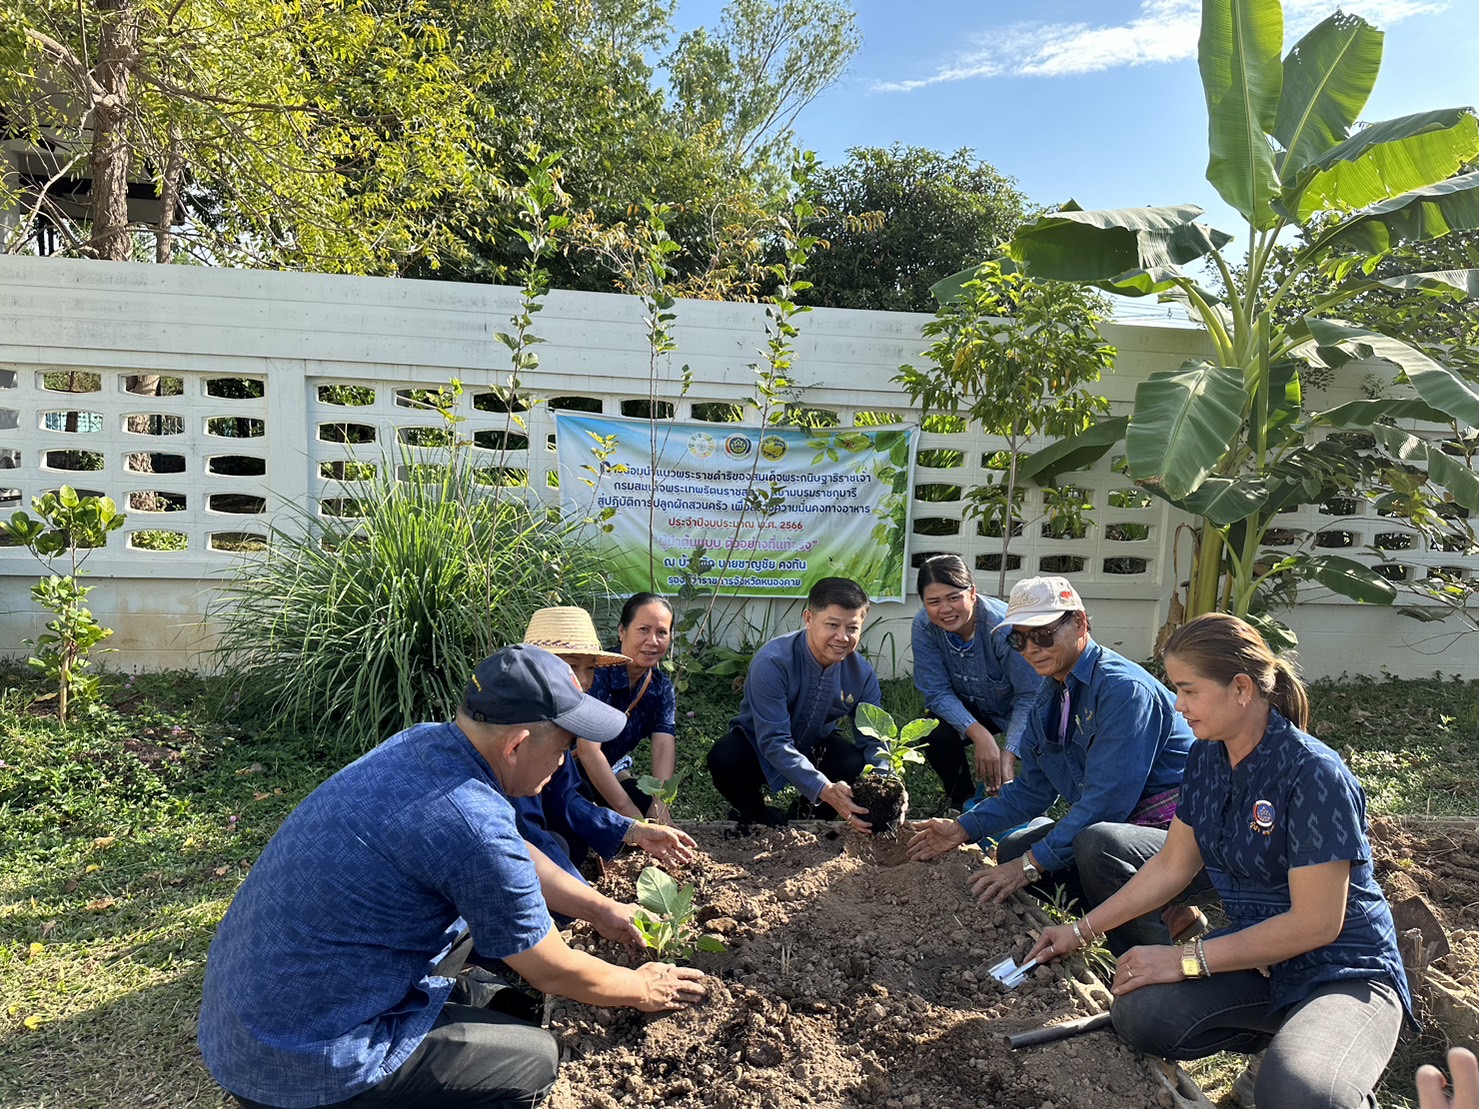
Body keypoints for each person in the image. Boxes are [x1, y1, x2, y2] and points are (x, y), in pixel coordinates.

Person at [199, 644, 706, 1109]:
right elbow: (551, 970)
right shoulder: (471, 822)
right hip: (298, 1060)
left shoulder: (426, 744)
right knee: (534, 1060)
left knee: (509, 1005)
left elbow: (514, 852)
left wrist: (601, 908)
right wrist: (643, 987)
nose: (564, 760)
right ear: (516, 745)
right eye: (564, 746)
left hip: (257, 1013)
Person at [1025, 613, 1416, 1109]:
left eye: (1189, 691)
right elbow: (1172, 865)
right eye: (1176, 689)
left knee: (1298, 1093)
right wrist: (1080, 931)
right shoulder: (1208, 759)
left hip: (1342, 971)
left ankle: (1317, 1060)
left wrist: (1184, 959)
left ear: (1241, 689)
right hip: (1263, 962)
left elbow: (1317, 923)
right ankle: (1287, 1043)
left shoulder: (1313, 773)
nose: (1178, 705)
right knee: (1142, 1011)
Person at [907, 575, 1199, 953]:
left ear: (1079, 623)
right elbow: (1032, 790)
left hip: (1184, 836)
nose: (1031, 649)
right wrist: (963, 828)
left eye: (1043, 635)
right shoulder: (1050, 694)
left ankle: (1146, 959)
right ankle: (1159, 913)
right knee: (1014, 848)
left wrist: (1029, 867)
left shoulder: (1122, 690)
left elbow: (1104, 806)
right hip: (1123, 826)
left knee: (1097, 845)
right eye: (1019, 640)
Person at [515, 607, 694, 882]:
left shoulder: (554, 719)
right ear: (622, 631)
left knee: (572, 846)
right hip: (508, 835)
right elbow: (523, 827)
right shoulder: (519, 728)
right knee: (554, 850)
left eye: (590, 668)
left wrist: (633, 830)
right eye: (571, 666)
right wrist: (590, 897)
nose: (583, 680)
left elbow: (565, 797)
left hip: (599, 775)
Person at [705, 577, 885, 831]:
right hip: (759, 745)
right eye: (832, 625)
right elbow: (774, 740)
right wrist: (824, 788)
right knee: (725, 757)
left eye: (852, 628)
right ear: (809, 619)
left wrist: (886, 782)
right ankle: (755, 812)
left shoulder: (861, 673)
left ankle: (807, 815)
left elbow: (875, 739)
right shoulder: (773, 661)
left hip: (815, 745)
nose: (842, 637)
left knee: (852, 763)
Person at [911, 554, 1044, 807]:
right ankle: (962, 801)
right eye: (934, 602)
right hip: (968, 705)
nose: (945, 609)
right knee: (934, 731)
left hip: (1012, 707)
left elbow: (1030, 695)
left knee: (1047, 736)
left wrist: (1009, 754)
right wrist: (980, 735)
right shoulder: (924, 627)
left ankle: (1030, 800)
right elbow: (936, 692)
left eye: (954, 597)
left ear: (972, 593)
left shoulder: (1003, 627)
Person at [578, 593, 681, 825]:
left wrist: (660, 805)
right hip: (569, 774)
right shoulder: (597, 674)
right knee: (608, 822)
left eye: (662, 632)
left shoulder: (660, 686)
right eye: (643, 629)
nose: (652, 641)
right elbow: (588, 750)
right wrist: (630, 813)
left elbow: (663, 745)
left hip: (611, 772)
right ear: (622, 631)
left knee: (648, 808)